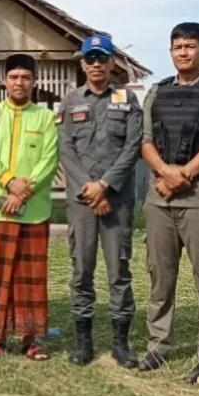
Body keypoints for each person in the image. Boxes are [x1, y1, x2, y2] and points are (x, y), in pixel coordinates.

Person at [138, 22, 199, 383]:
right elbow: (145, 140)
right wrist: (164, 173)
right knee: (160, 276)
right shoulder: (157, 92)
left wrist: (183, 175)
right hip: (159, 197)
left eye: (190, 46)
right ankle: (158, 346)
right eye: (177, 46)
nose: (183, 52)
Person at [58, 34, 142, 367]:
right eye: (89, 59)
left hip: (117, 200)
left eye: (101, 58)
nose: (95, 64)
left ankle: (121, 343)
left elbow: (132, 147)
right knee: (81, 270)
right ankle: (84, 341)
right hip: (82, 201)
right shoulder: (70, 101)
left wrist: (105, 185)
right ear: (82, 63)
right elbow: (66, 150)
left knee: (119, 270)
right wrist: (90, 190)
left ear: (112, 63)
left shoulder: (126, 100)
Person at [0, 53, 60, 361]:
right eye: (14, 77)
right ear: (4, 80)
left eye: (25, 77)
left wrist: (23, 191)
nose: (19, 82)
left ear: (34, 81)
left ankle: (31, 338)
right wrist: (9, 181)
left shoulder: (45, 117)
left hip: (35, 209)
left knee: (31, 276)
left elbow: (50, 160)